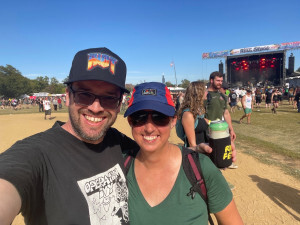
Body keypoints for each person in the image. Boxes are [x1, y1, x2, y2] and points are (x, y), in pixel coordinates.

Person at [0, 47, 139, 225]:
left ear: (119, 105)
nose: (96, 108)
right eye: (84, 95)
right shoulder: (36, 154)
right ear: (68, 96)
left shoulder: (116, 140)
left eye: (109, 98)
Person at [124, 82, 244, 225]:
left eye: (159, 117)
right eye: (140, 117)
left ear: (173, 120)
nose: (149, 128)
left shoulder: (201, 168)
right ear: (130, 121)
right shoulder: (119, 167)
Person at [205, 72, 238, 171]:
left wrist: (231, 129)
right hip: (208, 130)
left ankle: (222, 171)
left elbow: (226, 113)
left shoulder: (223, 96)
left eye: (221, 81)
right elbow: (200, 115)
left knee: (221, 154)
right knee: (210, 156)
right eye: (217, 80)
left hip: (221, 130)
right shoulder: (205, 95)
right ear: (211, 80)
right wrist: (210, 124)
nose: (220, 83)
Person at [177, 81, 210, 148]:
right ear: (198, 93)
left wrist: (214, 123)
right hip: (197, 154)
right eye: (205, 90)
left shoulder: (198, 111)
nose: (207, 92)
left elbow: (203, 121)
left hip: (204, 150)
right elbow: (192, 145)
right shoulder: (188, 114)